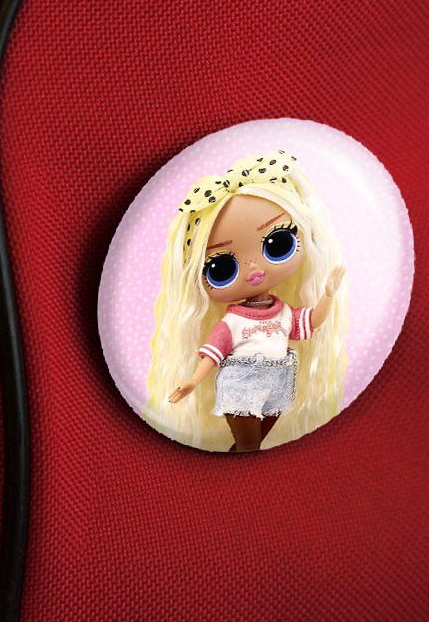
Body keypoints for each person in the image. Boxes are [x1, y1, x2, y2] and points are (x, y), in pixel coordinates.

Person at [144, 152, 348, 452]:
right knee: (250, 444)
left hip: (279, 380)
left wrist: (328, 295)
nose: (254, 269)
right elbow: (213, 354)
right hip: (241, 384)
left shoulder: (283, 313)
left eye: (278, 243)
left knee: (253, 446)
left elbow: (312, 322)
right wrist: (193, 381)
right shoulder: (233, 322)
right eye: (221, 268)